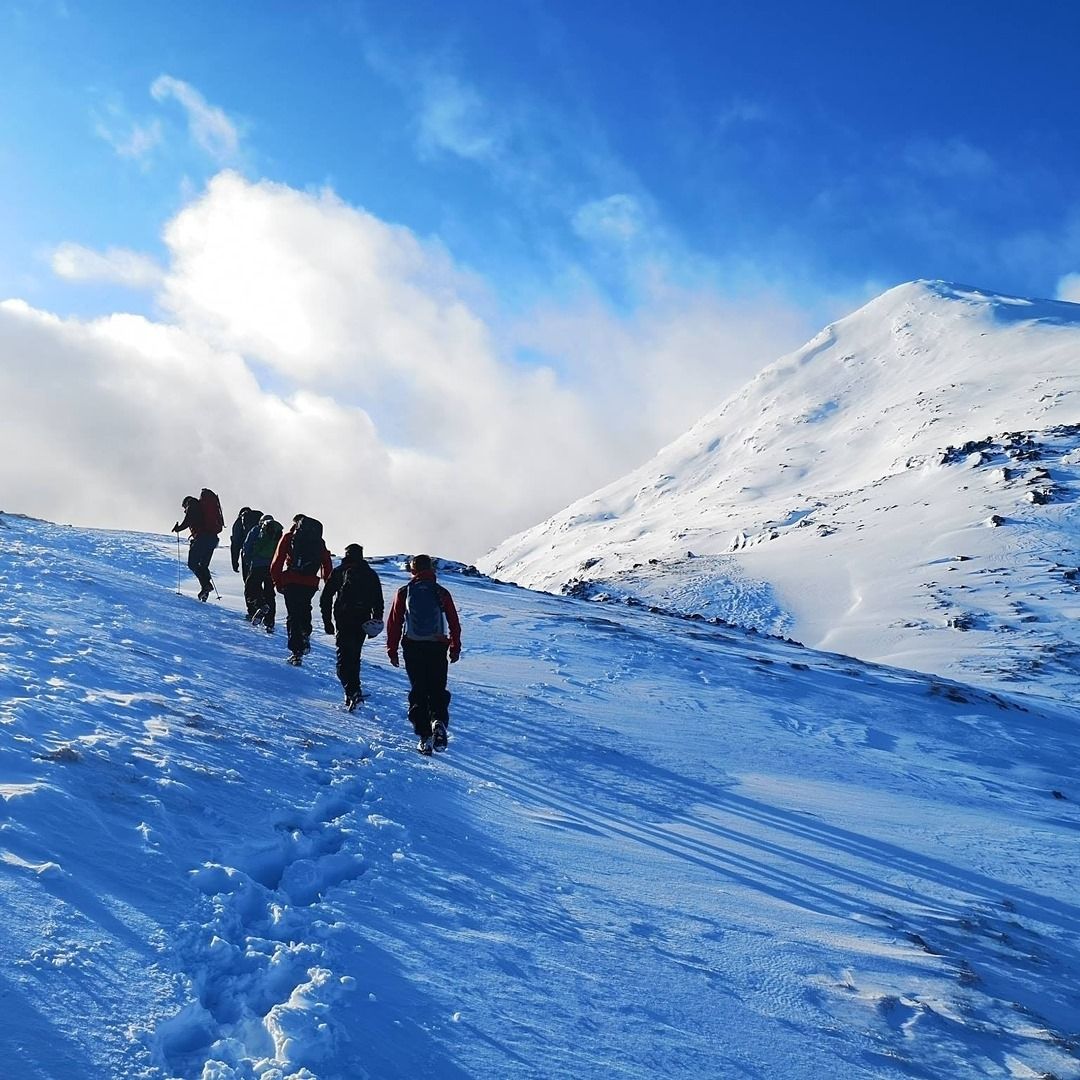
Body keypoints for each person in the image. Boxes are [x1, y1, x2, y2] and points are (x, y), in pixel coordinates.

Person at [385, 554, 461, 754]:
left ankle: (425, 737)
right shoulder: (441, 592)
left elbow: (394, 622)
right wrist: (455, 647)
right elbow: (453, 621)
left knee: (418, 690)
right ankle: (438, 720)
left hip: (413, 646)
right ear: (432, 569)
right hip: (437, 646)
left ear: (413, 570)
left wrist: (392, 650)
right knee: (437, 688)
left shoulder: (405, 591)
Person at [321, 543, 385, 710]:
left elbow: (326, 597)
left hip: (343, 619)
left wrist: (327, 621)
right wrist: (376, 622)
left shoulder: (340, 571)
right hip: (363, 620)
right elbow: (378, 601)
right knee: (354, 655)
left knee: (344, 656)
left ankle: (352, 691)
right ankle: (354, 690)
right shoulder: (370, 574)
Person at [270, 514, 332, 665]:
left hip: (291, 580)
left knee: (293, 614)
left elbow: (277, 561)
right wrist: (328, 582)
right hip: (310, 583)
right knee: (305, 608)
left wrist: (277, 582)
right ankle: (305, 634)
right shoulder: (318, 541)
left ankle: (296, 652)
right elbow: (326, 563)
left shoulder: (289, 537)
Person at [171, 488, 225, 601]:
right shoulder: (201, 507)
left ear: (185, 503)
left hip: (203, 538)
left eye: (183, 508)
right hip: (212, 539)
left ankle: (206, 586)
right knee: (203, 565)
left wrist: (178, 528)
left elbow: (188, 520)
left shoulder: (192, 504)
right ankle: (205, 590)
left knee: (193, 563)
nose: (184, 510)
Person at [242, 514, 283, 630]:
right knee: (269, 593)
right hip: (272, 567)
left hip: (257, 565)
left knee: (251, 589)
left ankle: (260, 606)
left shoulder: (256, 529)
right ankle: (270, 622)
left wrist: (249, 561)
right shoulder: (278, 532)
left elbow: (247, 546)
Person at [230, 506, 262, 579]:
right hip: (264, 555)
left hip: (247, 553)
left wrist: (235, 562)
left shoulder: (239, 522)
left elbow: (235, 544)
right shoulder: (260, 519)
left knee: (248, 580)